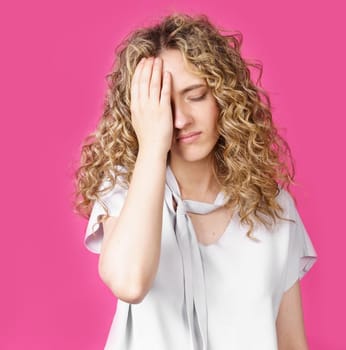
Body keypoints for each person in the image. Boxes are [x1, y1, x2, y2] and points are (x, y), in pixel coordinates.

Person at [73, 12, 318, 350]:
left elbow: (291, 343)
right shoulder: (125, 192)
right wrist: (153, 145)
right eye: (163, 103)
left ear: (224, 96)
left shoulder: (274, 208)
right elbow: (130, 282)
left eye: (196, 95)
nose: (180, 119)